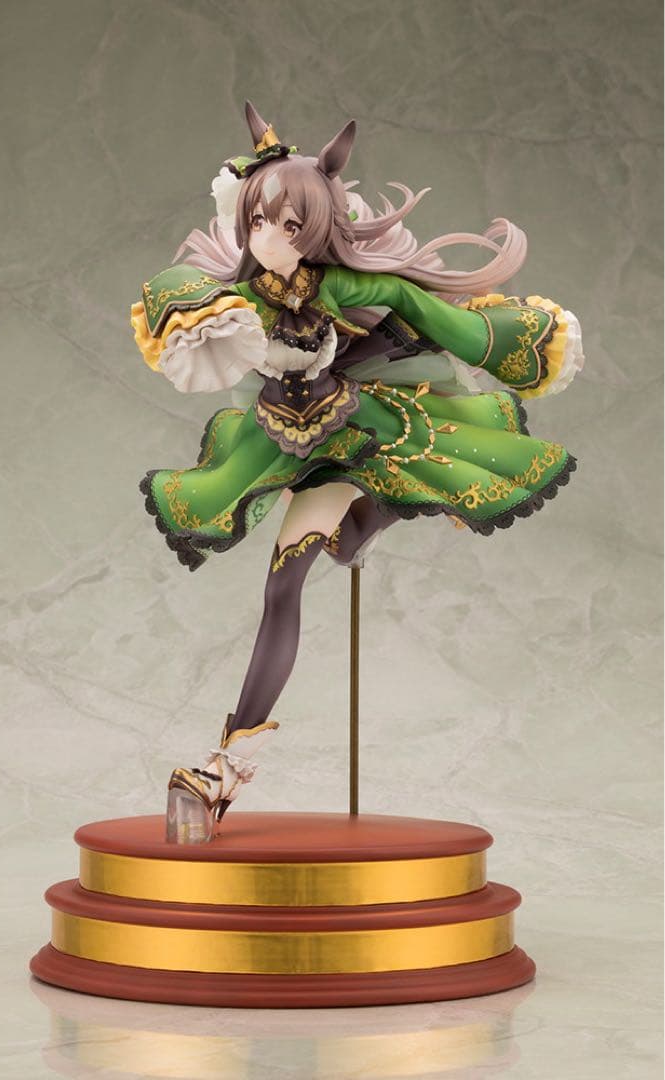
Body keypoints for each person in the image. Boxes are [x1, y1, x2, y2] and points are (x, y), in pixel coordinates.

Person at [131, 101, 584, 842]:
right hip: (289, 442)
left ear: (316, 227)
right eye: (257, 221)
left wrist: (503, 343)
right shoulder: (245, 297)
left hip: (360, 432)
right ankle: (360, 531)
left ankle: (223, 769)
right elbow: (178, 293)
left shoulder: (346, 288)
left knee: (285, 585)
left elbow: (433, 317)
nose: (269, 239)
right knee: (295, 580)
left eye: (288, 226)